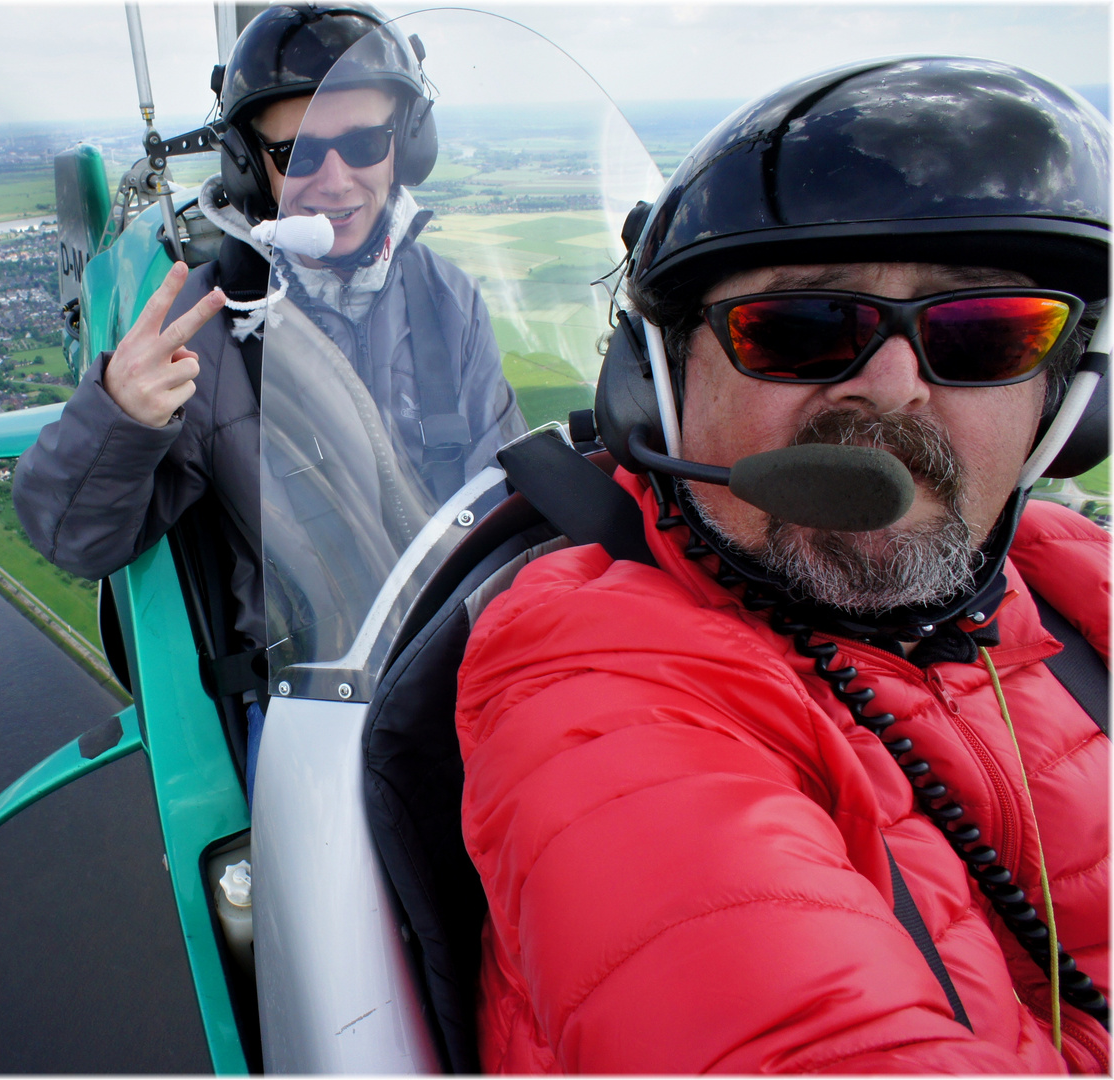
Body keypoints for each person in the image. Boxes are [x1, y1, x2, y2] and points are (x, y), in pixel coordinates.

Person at [456, 57, 1109, 1072]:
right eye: (803, 329)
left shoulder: (1074, 578)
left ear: (1066, 412)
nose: (895, 392)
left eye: (984, 335)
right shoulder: (597, 684)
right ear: (654, 388)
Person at [15, 3, 523, 794]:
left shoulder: (446, 302)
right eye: (299, 152)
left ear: (405, 147)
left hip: (460, 674)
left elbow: (508, 515)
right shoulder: (204, 334)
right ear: (251, 165)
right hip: (312, 710)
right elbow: (70, 537)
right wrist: (119, 410)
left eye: (364, 143)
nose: (337, 179)